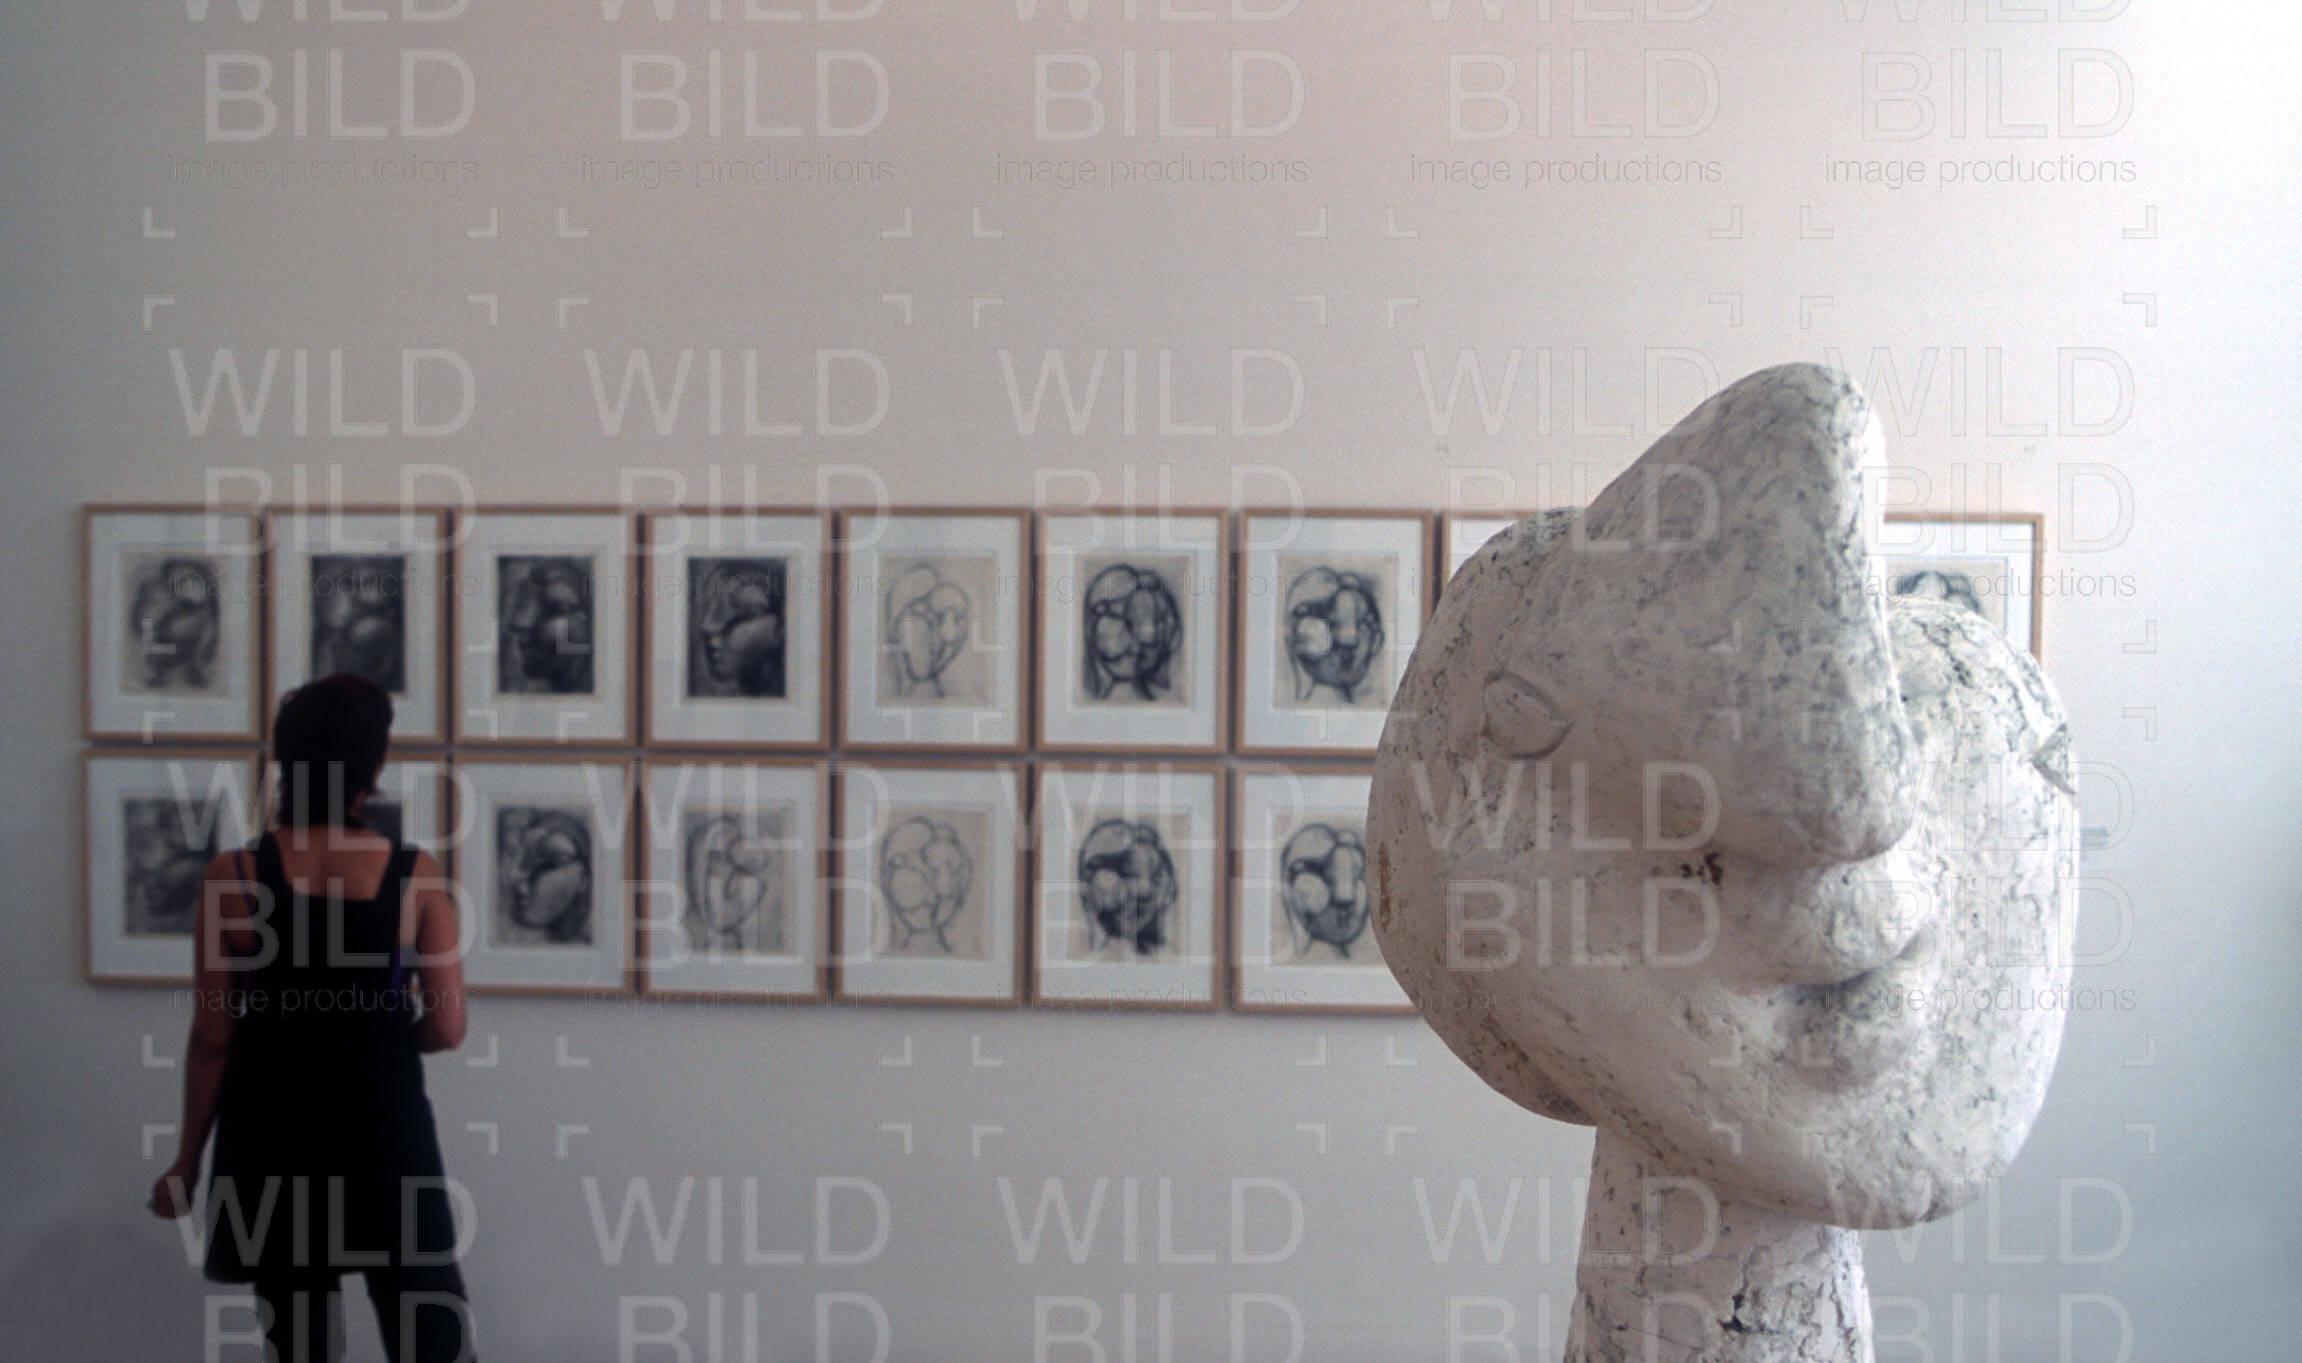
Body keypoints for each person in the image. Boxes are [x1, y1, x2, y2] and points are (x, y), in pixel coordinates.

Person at [147, 672, 478, 1362]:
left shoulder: (233, 876)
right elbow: (448, 1027)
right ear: (373, 766)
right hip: (387, 1138)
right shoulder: (416, 874)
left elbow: (213, 1038)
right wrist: (382, 1035)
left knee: (299, 1346)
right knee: (433, 1341)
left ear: (288, 760)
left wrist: (186, 1162)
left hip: (272, 1139)